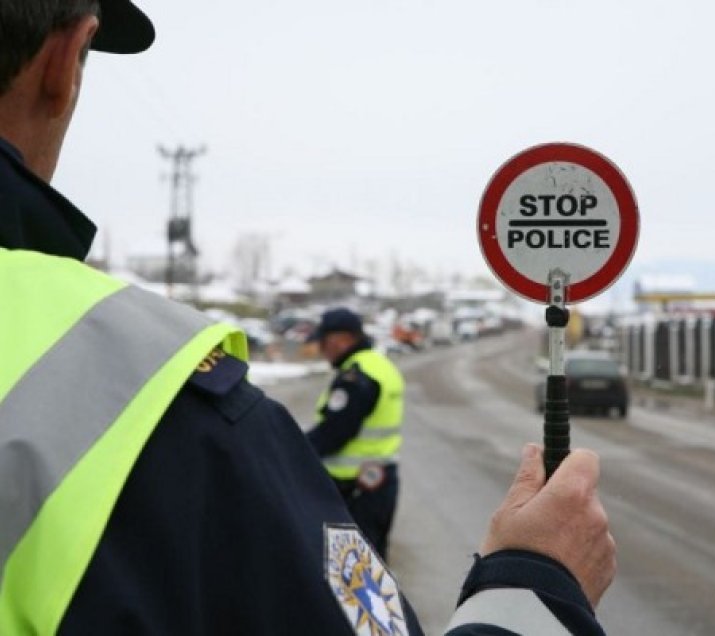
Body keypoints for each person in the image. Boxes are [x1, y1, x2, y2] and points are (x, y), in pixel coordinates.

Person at [0, 1, 616, 634]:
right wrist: (537, 587)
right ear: (65, 62)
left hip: (368, 488)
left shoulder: (351, 375)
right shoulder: (154, 400)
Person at [306, 307, 404, 560]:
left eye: (324, 342)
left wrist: (295, 449)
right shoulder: (379, 364)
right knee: (370, 566)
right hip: (377, 482)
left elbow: (335, 431)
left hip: (355, 490)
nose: (322, 349)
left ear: (343, 339)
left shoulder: (356, 376)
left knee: (352, 570)